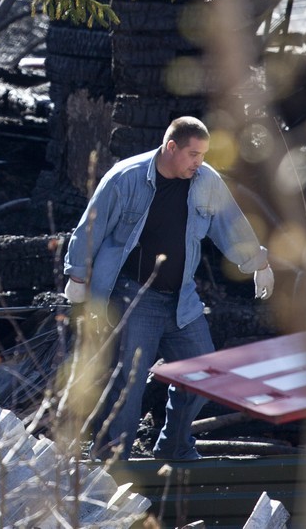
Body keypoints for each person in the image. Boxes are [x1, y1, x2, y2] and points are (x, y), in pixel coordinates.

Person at [63, 116, 274, 461]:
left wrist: (258, 264)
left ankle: (174, 446)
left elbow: (230, 225)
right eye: (193, 154)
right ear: (171, 147)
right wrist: (77, 277)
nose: (199, 163)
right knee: (127, 388)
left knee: (204, 375)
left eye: (203, 155)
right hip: (133, 298)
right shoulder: (126, 178)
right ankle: (113, 462)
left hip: (182, 301)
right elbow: (91, 227)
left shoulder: (206, 182)